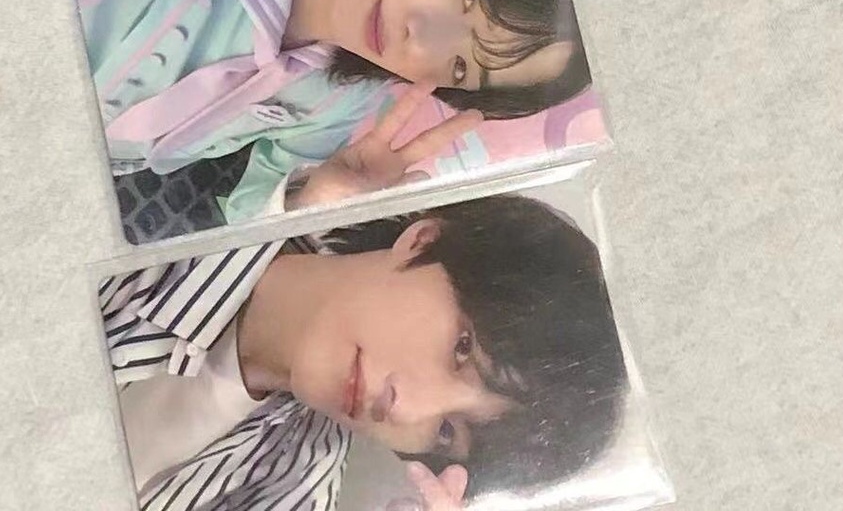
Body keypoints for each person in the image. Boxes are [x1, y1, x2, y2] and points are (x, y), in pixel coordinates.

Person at [71, 0, 590, 224]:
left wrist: (311, 201)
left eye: (459, 66)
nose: (422, 36)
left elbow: (248, 210)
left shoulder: (339, 101)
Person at [100, 192, 628, 511]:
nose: (406, 409)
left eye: (447, 433)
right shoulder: (181, 201)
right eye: (461, 348)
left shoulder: (294, 485)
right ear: (423, 240)